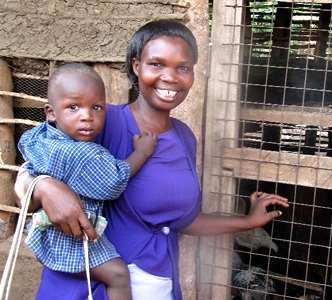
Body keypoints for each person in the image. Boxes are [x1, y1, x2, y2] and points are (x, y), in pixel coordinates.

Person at [14, 20, 289, 300]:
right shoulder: (99, 120)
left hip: (158, 283)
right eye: (156, 64)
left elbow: (181, 221)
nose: (170, 77)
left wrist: (247, 222)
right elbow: (29, 173)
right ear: (136, 66)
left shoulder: (184, 138)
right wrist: (45, 188)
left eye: (183, 67)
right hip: (90, 284)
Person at [17, 63, 157, 300]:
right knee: (119, 275)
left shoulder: (40, 135)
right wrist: (141, 153)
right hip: (69, 241)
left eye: (96, 107)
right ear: (51, 112)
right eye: (73, 107)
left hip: (44, 233)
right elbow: (115, 181)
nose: (87, 116)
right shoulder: (85, 154)